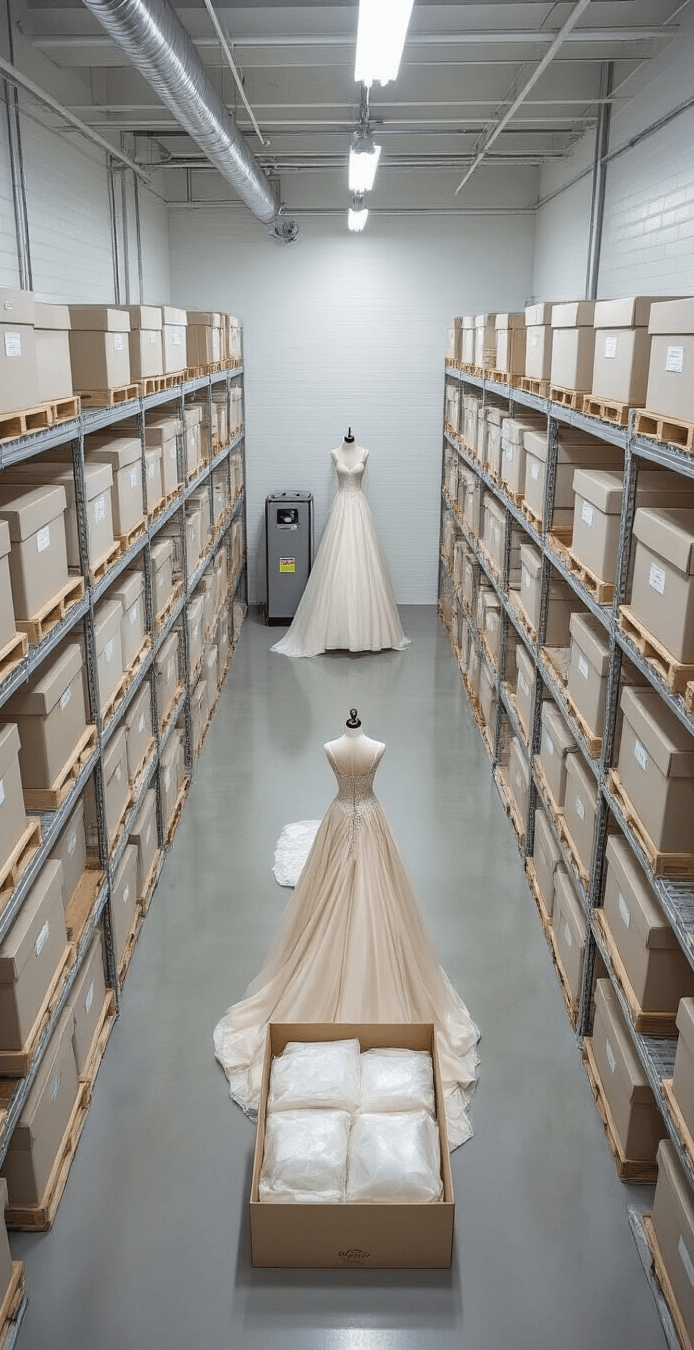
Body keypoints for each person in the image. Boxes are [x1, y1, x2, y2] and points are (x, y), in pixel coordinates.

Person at [214, 711, 480, 1149]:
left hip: (345, 817)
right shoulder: (354, 749)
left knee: (370, 897)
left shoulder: (348, 749)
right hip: (365, 819)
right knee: (335, 902)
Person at [271, 431, 410, 657]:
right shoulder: (334, 454)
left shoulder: (365, 453)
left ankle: (369, 632)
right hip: (341, 508)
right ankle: (333, 632)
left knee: (364, 562)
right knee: (337, 563)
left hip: (359, 508)